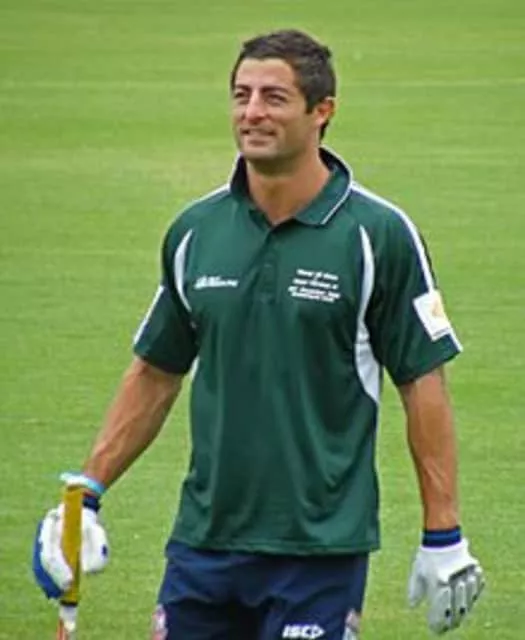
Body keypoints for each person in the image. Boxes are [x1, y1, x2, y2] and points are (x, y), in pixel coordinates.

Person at [33, 29, 485, 639]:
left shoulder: (377, 234)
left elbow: (422, 384)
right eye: (241, 95)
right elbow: (155, 371)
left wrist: (443, 533)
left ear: (322, 111)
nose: (252, 112)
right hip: (203, 543)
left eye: (274, 97)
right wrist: (89, 490)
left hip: (319, 551)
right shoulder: (196, 230)